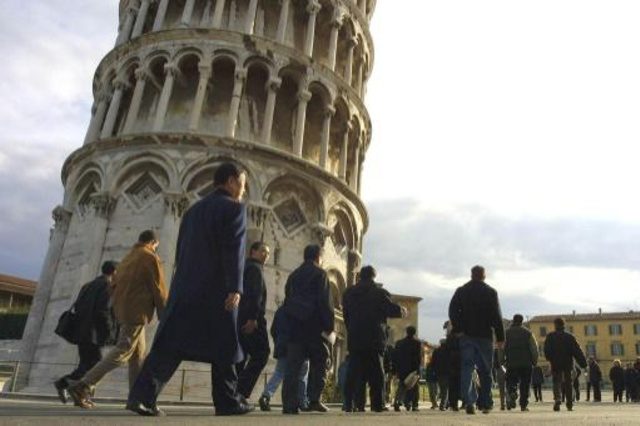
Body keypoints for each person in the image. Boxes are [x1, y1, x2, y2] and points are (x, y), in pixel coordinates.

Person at [127, 163, 252, 417]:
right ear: (230, 181)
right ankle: (227, 401)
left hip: (187, 286)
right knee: (226, 343)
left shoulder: (193, 211)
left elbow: (181, 249)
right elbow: (234, 250)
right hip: (217, 288)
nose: (243, 190)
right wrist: (235, 288)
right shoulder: (234, 208)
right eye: (242, 183)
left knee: (171, 344)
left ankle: (142, 397)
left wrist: (181, 282)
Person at [68, 231, 168, 409]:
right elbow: (158, 288)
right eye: (156, 245)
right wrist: (164, 314)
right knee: (123, 351)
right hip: (137, 312)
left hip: (124, 311)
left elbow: (112, 286)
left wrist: (119, 307)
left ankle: (135, 399)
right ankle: (83, 385)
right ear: (153, 242)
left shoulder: (128, 258)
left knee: (138, 356)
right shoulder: (149, 257)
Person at [54, 261, 118, 405]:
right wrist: (109, 332)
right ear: (114, 272)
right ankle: (65, 383)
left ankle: (81, 397)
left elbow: (78, 306)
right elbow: (103, 310)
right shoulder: (107, 286)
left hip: (80, 330)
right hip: (93, 332)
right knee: (96, 365)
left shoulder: (87, 285)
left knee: (85, 363)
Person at [342, 265, 405, 412]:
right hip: (374, 338)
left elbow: (346, 315)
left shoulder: (349, 293)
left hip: (355, 337)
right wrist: (403, 310)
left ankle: (350, 403)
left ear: (360, 276)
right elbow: (392, 310)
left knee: (354, 372)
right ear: (374, 276)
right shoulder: (379, 293)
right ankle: (377, 404)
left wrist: (352, 328)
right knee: (376, 373)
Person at [281, 244, 335, 414]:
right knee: (320, 363)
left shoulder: (293, 275)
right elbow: (325, 302)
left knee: (293, 367)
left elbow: (287, 299)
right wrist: (329, 326)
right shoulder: (320, 274)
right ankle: (314, 400)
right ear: (319, 257)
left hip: (295, 327)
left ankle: (289, 404)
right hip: (314, 327)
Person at [448, 265, 505, 415]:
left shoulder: (461, 291)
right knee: (485, 370)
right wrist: (500, 337)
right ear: (484, 276)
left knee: (467, 368)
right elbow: (497, 316)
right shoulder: (491, 292)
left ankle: (469, 402)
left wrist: (458, 329)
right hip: (485, 336)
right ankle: (486, 403)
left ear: (471, 275)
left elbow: (452, 311)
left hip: (466, 335)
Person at [236, 242, 271, 400]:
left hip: (241, 317)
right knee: (262, 353)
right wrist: (253, 318)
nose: (266, 255)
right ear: (253, 251)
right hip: (253, 319)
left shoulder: (245, 267)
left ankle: (234, 393)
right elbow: (255, 295)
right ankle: (241, 391)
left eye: (268, 253)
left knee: (241, 354)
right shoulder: (255, 269)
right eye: (263, 251)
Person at [258, 305, 309, 412]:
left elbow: (273, 330)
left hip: (282, 345)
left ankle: (266, 396)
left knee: (279, 373)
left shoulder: (281, 310)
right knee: (302, 374)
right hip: (298, 346)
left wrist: (278, 341)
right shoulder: (302, 307)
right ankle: (302, 401)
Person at [543, 317, 587, 412]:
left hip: (555, 363)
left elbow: (546, 350)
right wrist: (583, 363)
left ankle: (557, 399)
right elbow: (577, 351)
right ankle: (569, 404)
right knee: (568, 383)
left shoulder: (550, 336)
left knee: (556, 382)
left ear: (555, 325)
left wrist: (549, 358)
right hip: (567, 363)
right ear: (564, 325)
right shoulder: (569, 337)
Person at [504, 314, 538, 411]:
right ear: (522, 321)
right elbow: (534, 349)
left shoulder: (506, 333)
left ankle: (512, 391)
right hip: (526, 363)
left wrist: (501, 360)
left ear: (513, 320)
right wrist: (534, 361)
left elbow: (501, 348)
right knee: (525, 384)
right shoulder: (528, 333)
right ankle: (523, 405)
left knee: (511, 380)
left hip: (511, 362)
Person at [392, 326, 421, 412]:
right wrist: (417, 369)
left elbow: (395, 357)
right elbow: (418, 358)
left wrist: (395, 369)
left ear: (406, 332)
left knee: (402, 386)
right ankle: (414, 405)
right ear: (414, 333)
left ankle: (397, 402)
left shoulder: (399, 343)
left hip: (401, 369)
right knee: (414, 387)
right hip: (412, 369)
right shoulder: (417, 343)